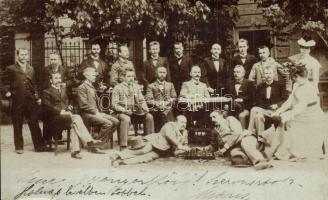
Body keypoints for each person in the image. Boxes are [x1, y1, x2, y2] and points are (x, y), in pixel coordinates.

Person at [42, 72, 104, 159]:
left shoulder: (64, 90)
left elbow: (72, 98)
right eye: (55, 78)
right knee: (76, 117)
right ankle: (89, 140)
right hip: (54, 118)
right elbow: (47, 107)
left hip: (67, 117)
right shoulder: (46, 91)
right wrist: (60, 112)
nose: (58, 80)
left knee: (74, 125)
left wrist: (70, 105)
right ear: (51, 80)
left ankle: (75, 151)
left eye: (59, 78)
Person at [272, 64, 328, 160]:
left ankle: (294, 151)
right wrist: (279, 111)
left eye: (296, 77)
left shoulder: (310, 87)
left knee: (288, 121)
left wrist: (288, 115)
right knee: (283, 119)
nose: (294, 79)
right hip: (301, 112)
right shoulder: (296, 85)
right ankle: (283, 149)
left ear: (303, 76)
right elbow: (290, 101)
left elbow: (301, 106)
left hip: (311, 114)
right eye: (294, 77)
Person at [3, 48, 48, 153]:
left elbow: (34, 84)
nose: (24, 57)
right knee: (17, 123)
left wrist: (37, 97)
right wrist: (6, 92)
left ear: (28, 56)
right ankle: (19, 147)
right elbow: (2, 82)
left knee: (34, 122)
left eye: (25, 55)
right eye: (22, 55)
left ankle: (39, 146)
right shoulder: (11, 68)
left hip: (31, 100)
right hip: (17, 100)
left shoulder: (31, 69)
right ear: (17, 55)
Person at [110, 115, 191, 166]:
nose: (184, 124)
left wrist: (186, 149)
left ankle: (121, 162)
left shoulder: (185, 133)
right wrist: (180, 146)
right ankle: (117, 155)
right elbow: (170, 136)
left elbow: (185, 145)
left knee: (146, 158)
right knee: (142, 151)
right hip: (153, 142)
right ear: (176, 122)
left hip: (161, 150)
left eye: (185, 123)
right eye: (182, 122)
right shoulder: (170, 125)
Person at [205, 110, 272, 170]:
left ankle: (260, 160)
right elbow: (214, 145)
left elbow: (237, 133)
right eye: (211, 118)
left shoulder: (230, 119)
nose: (212, 120)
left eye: (214, 117)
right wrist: (208, 148)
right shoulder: (214, 130)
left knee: (245, 144)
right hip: (234, 147)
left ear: (221, 116)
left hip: (245, 138)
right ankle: (250, 158)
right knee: (237, 158)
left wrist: (225, 148)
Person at [112, 69, 155, 151]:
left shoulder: (136, 86)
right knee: (126, 119)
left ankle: (150, 141)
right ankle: (123, 145)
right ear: (123, 77)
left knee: (149, 117)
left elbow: (142, 100)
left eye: (132, 76)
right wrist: (124, 110)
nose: (131, 78)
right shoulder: (117, 88)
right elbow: (114, 104)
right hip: (121, 112)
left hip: (135, 112)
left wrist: (145, 108)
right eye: (128, 76)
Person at [77, 67, 119, 149]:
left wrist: (99, 113)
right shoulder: (82, 87)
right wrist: (96, 112)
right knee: (108, 123)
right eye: (93, 75)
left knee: (116, 121)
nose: (95, 77)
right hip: (86, 114)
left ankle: (99, 142)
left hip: (95, 113)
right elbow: (83, 105)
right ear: (86, 76)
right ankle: (96, 145)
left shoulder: (92, 87)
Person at [247, 67, 288, 136]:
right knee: (255, 111)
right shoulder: (260, 86)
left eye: (270, 73)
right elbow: (258, 101)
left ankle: (252, 133)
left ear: (273, 75)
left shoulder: (280, 85)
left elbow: (285, 99)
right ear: (263, 75)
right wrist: (267, 107)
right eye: (266, 73)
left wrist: (277, 105)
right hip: (265, 110)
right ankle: (256, 135)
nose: (268, 75)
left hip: (276, 110)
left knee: (257, 115)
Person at [145, 66, 177, 132]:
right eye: (160, 72)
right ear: (156, 73)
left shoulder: (170, 85)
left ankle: (169, 132)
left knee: (167, 111)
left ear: (166, 74)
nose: (162, 74)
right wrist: (159, 104)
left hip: (168, 107)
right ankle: (167, 133)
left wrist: (167, 103)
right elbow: (148, 100)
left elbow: (174, 97)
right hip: (156, 109)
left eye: (164, 72)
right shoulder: (151, 86)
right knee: (162, 113)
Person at [227, 65, 255, 129]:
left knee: (241, 116)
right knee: (224, 114)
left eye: (238, 72)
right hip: (232, 107)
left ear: (243, 73)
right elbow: (227, 96)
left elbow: (252, 96)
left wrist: (242, 99)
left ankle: (243, 134)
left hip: (245, 108)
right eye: (234, 72)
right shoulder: (230, 84)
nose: (235, 74)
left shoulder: (249, 83)